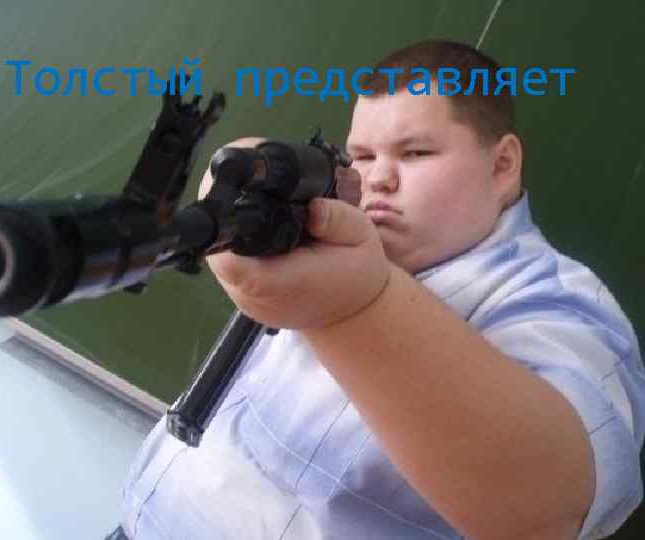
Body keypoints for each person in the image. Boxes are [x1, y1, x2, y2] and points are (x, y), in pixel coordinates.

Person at [111, 40, 645, 539]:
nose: (379, 179)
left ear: (502, 165)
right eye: (362, 157)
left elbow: (547, 504)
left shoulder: (560, 302)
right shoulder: (320, 229)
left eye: (415, 154)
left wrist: (355, 308)